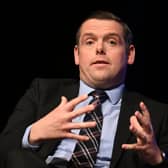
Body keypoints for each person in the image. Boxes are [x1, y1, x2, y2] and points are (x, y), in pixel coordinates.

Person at [0, 10, 168, 168]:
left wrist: (157, 157)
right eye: (89, 42)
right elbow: (5, 150)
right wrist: (33, 134)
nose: (99, 49)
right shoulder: (42, 92)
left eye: (111, 41)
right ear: (77, 55)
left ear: (129, 54)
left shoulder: (158, 113)